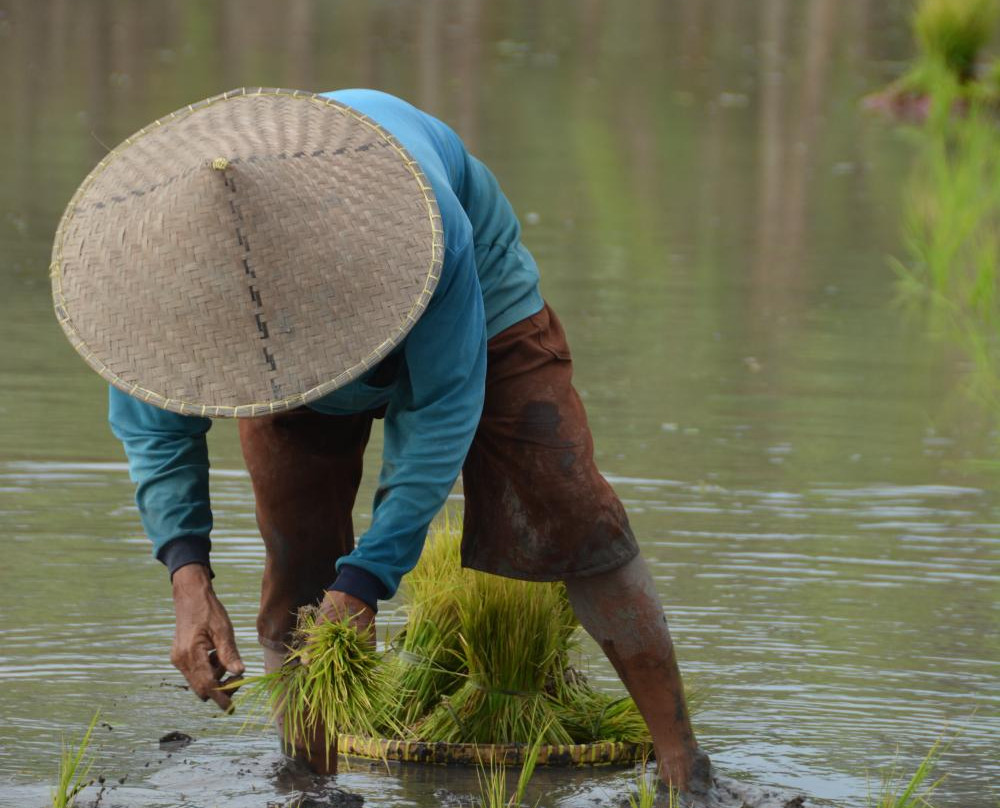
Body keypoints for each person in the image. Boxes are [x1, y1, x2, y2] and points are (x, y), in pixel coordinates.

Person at [51, 87, 710, 793]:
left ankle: (684, 767)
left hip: (473, 302)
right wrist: (188, 577)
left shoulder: (417, 226)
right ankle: (309, 780)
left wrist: (367, 581)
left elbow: (442, 413)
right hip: (276, 352)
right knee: (299, 568)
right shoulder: (149, 288)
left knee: (572, 511)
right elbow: (157, 432)